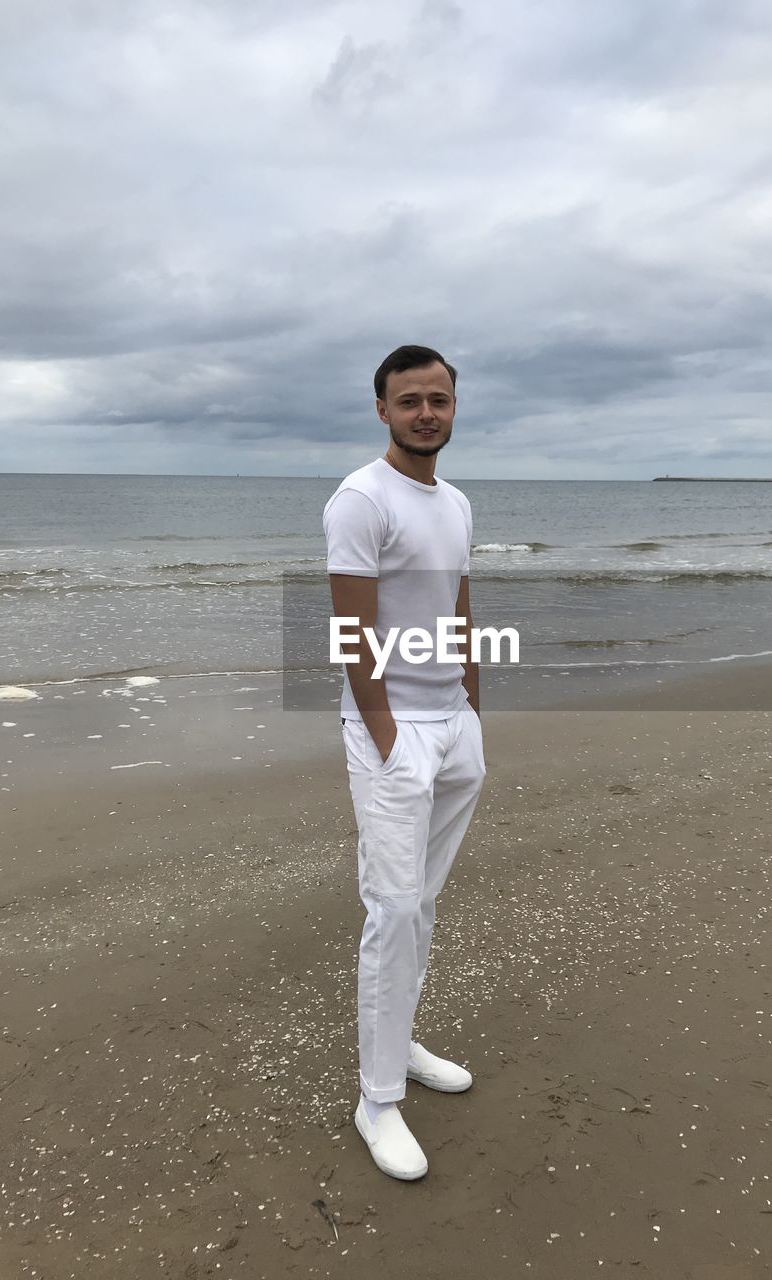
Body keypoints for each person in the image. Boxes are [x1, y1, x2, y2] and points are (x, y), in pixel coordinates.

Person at [323, 345, 486, 1180]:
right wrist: (385, 730)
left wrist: (473, 703)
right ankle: (376, 1097)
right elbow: (351, 626)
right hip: (394, 733)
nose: (427, 412)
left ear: (455, 406)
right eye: (410, 400)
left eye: (439, 398)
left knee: (422, 901)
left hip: (454, 725)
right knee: (392, 908)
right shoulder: (361, 498)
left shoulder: (455, 501)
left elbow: (458, 602)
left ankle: (403, 1040)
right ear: (381, 408)